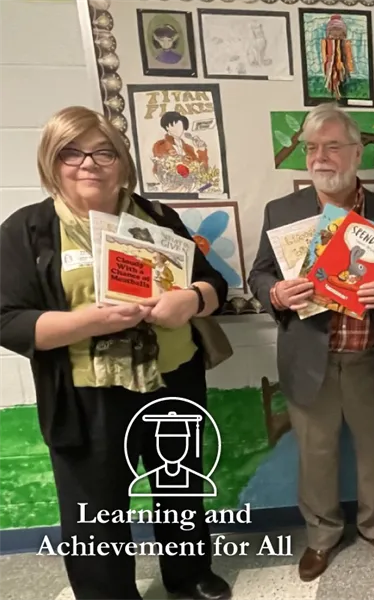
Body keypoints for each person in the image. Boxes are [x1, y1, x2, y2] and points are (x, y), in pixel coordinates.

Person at [0, 106, 231, 600]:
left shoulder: (158, 217)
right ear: (51, 162)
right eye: (71, 152)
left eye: (103, 151)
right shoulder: (29, 230)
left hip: (173, 380)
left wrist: (190, 300)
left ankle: (189, 576)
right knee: (94, 505)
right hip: (87, 393)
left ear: (122, 162)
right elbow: (7, 319)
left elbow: (215, 284)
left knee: (180, 490)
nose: (89, 163)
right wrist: (90, 322)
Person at [248, 103, 374, 582]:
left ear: (357, 151)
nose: (319, 157)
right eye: (311, 148)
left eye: (331, 146)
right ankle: (322, 536)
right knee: (316, 453)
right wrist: (277, 293)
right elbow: (258, 275)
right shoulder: (282, 213)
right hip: (311, 358)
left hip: (373, 357)